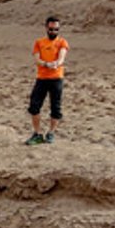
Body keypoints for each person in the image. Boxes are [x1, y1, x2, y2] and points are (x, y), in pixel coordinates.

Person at [26, 14, 68, 145]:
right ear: (46, 28)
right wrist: (45, 64)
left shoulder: (62, 42)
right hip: (42, 78)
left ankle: (51, 132)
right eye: (51, 29)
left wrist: (56, 63)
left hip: (56, 78)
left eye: (56, 29)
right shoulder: (39, 42)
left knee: (56, 107)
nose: (53, 32)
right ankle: (37, 133)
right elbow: (37, 59)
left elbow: (62, 57)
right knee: (34, 105)